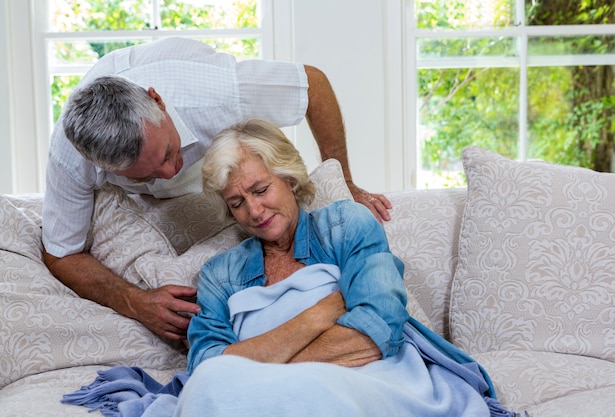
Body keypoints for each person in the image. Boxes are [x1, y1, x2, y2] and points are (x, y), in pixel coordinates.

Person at [42, 36, 392, 342]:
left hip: (195, 92)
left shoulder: (216, 94)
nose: (169, 172)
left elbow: (312, 85)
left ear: (158, 101)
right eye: (144, 176)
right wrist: (135, 302)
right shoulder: (71, 158)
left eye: (167, 153)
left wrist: (345, 182)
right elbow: (61, 251)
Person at [177, 119, 519, 417]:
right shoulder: (220, 274)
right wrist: (317, 315)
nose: (254, 210)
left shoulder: (344, 225)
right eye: (237, 203)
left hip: (369, 376)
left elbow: (377, 326)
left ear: (289, 180)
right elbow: (208, 365)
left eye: (261, 190)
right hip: (267, 393)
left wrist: (262, 372)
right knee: (204, 387)